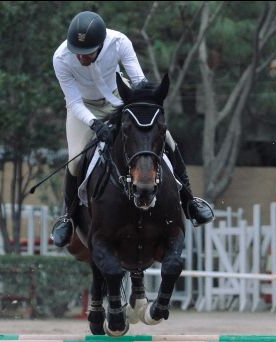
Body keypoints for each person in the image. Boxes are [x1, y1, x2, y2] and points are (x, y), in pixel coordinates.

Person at [51, 10, 215, 248]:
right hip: (84, 108)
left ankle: (190, 200)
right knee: (75, 161)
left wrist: (143, 107)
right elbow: (74, 102)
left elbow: (138, 81)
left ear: (100, 44)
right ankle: (67, 216)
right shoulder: (61, 58)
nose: (81, 59)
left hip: (121, 97)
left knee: (167, 140)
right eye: (78, 53)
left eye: (87, 54)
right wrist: (95, 124)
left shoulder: (119, 43)